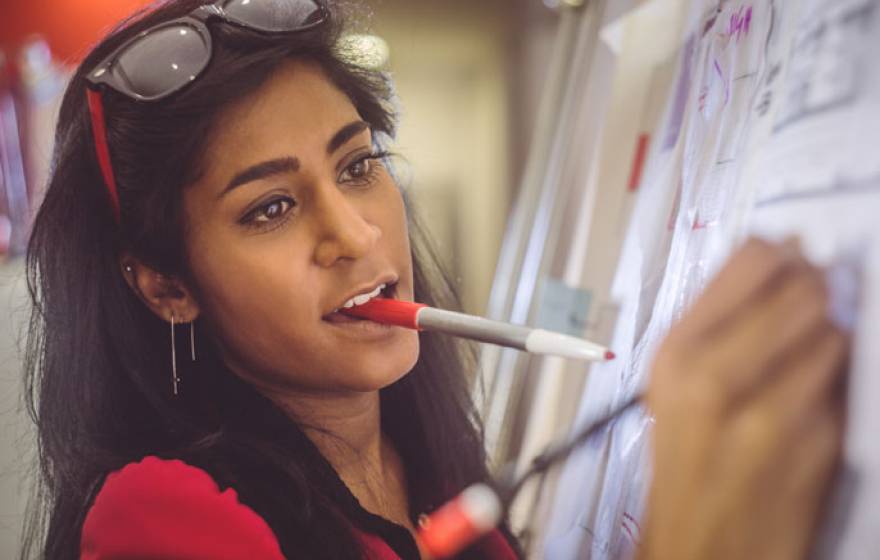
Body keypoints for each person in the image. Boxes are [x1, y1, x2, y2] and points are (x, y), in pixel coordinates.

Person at [20, 0, 848, 559]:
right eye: (271, 208)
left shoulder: (435, 465)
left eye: (356, 165)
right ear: (166, 285)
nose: (354, 232)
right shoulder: (160, 520)